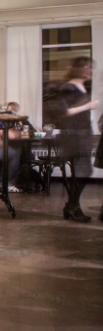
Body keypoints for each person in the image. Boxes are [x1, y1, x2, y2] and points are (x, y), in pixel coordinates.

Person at [54, 57, 99, 221]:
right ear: (78, 69)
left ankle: (72, 207)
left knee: (81, 172)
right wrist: (87, 106)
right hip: (74, 135)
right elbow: (63, 112)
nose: (90, 70)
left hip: (82, 133)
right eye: (87, 67)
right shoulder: (69, 87)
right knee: (84, 171)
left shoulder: (81, 86)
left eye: (91, 67)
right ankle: (71, 207)